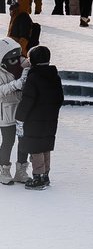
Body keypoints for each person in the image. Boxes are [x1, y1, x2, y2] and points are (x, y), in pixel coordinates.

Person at [16, 44, 64, 190]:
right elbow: (60, 98)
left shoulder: (34, 77)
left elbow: (27, 100)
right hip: (50, 119)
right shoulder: (54, 76)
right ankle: (46, 175)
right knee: (45, 146)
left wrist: (20, 117)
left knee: (35, 147)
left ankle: (38, 178)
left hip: (34, 120)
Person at [0, 37, 30, 185]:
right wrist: (16, 84)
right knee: (8, 141)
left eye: (17, 56)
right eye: (12, 58)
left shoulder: (21, 63)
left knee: (24, 141)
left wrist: (30, 65)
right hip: (5, 112)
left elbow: (28, 61)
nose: (16, 61)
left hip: (22, 110)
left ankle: (21, 170)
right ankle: (3, 170)